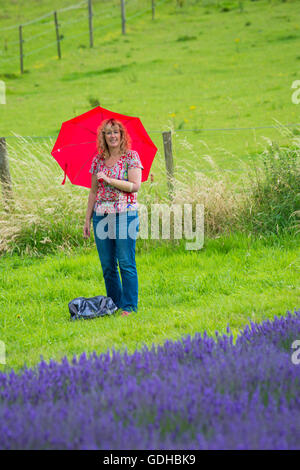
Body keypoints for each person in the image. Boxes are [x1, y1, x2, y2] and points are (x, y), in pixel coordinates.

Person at [83, 118, 143, 317]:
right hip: (101, 217)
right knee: (108, 265)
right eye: (108, 133)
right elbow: (93, 192)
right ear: (103, 137)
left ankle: (129, 306)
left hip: (125, 215)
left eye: (116, 132)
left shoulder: (131, 157)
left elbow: (135, 186)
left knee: (126, 261)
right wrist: (87, 219)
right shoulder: (97, 160)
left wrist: (110, 180)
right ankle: (113, 304)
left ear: (122, 135)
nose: (112, 136)